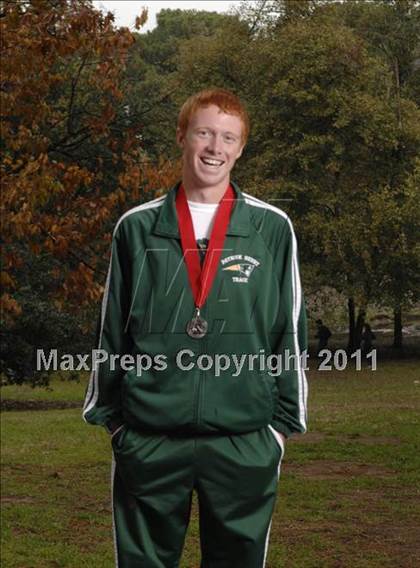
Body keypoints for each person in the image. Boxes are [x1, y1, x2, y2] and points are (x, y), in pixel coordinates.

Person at [83, 88, 308, 567]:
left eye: (228, 137)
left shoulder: (271, 227)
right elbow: (112, 329)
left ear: (241, 148)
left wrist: (281, 427)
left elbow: (287, 330)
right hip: (150, 436)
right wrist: (115, 422)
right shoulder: (137, 227)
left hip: (243, 437)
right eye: (205, 132)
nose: (215, 147)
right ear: (183, 136)